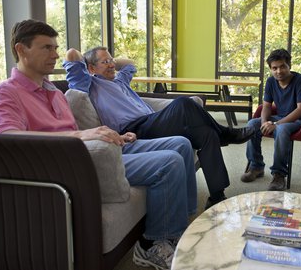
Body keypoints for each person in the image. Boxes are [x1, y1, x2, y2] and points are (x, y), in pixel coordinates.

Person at [0, 19, 197, 270]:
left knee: (181, 144)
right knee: (168, 162)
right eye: (47, 48)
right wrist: (82, 136)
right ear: (21, 49)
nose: (55, 54)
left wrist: (113, 135)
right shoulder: (4, 94)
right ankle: (152, 244)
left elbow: (74, 132)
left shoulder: (52, 91)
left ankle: (179, 228)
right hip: (72, 165)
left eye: (56, 47)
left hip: (92, 149)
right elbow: (9, 140)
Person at [63, 47, 255, 209]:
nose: (112, 64)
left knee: (206, 134)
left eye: (111, 60)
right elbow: (72, 54)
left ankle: (216, 196)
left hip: (152, 121)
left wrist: (108, 59)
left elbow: (129, 62)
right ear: (90, 68)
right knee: (183, 103)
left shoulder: (120, 79)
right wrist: (90, 61)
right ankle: (228, 134)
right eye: (105, 62)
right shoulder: (89, 83)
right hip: (135, 130)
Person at [242, 48, 301, 191]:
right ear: (271, 69)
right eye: (274, 68)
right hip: (280, 117)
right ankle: (256, 166)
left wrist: (275, 124)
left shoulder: (300, 81)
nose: (278, 71)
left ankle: (279, 174)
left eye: (282, 67)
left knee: (281, 129)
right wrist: (264, 123)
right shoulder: (270, 82)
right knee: (251, 124)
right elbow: (266, 106)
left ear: (289, 66)